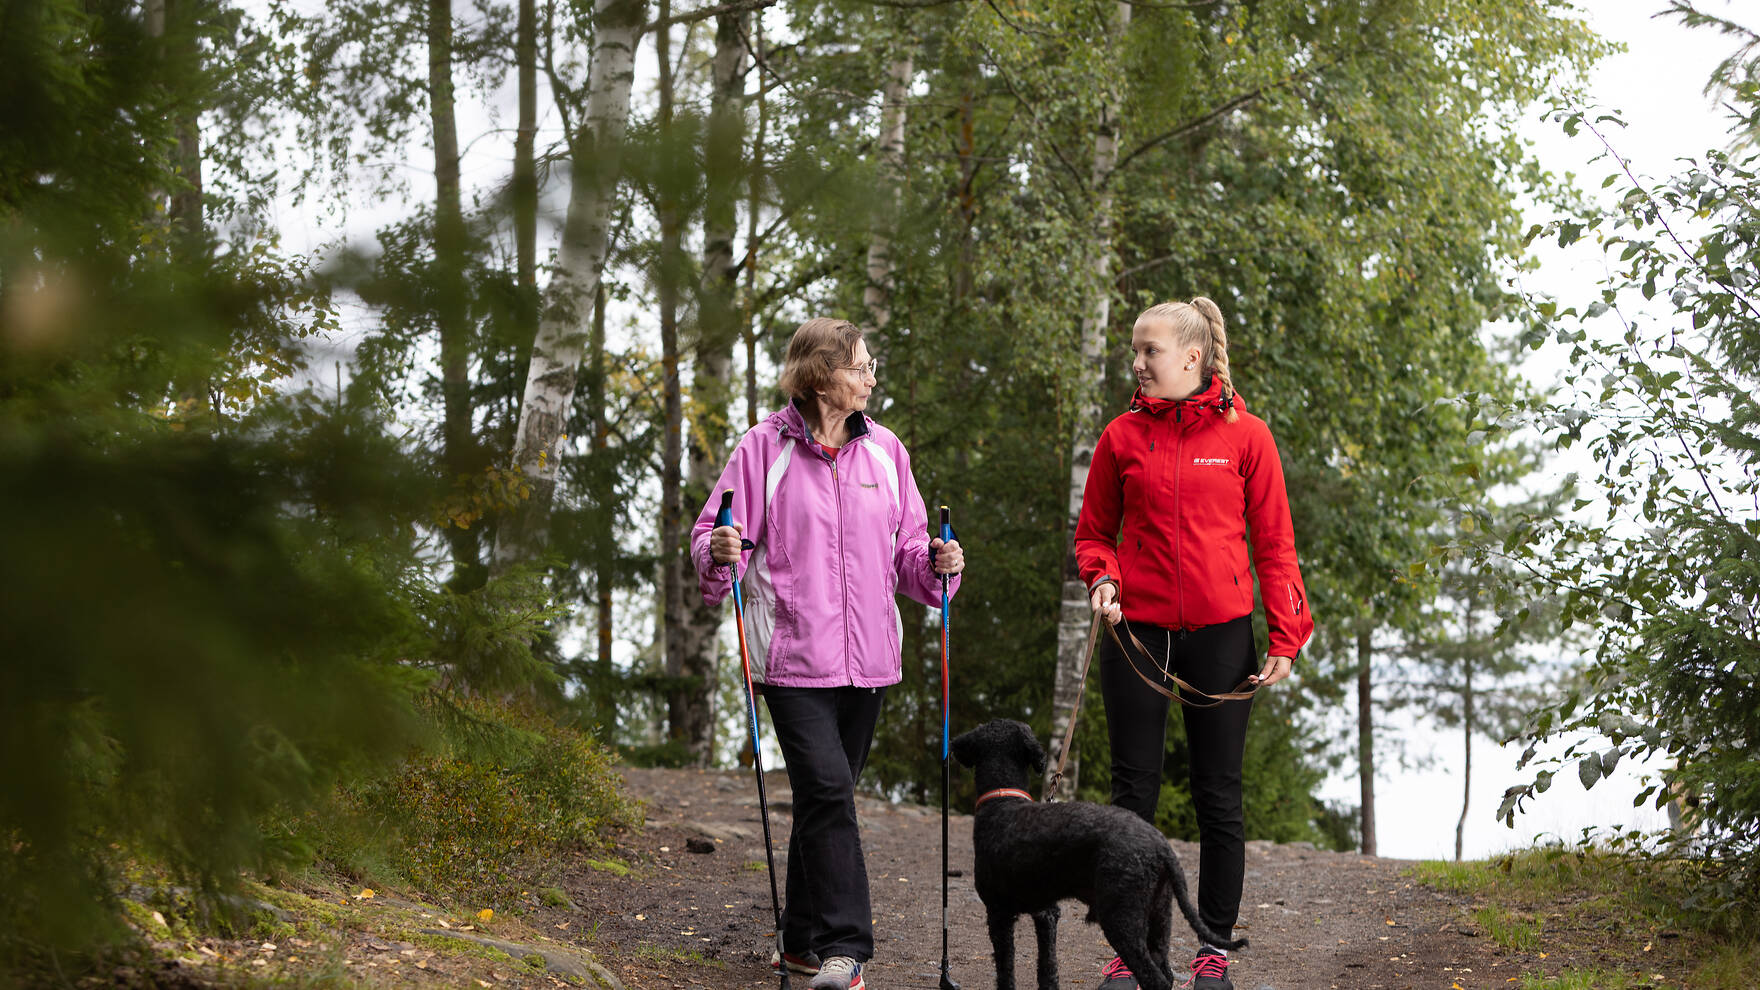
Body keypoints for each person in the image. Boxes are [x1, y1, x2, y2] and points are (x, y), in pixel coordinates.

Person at [692, 317, 964, 990]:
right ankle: (847, 948)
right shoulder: (763, 449)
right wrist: (717, 549)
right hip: (791, 657)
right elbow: (715, 534)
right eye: (860, 367)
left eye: (871, 368)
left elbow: (911, 556)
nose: (871, 378)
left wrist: (940, 565)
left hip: (868, 660)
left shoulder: (886, 453)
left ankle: (801, 944)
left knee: (823, 802)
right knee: (829, 792)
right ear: (819, 376)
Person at [1073, 297, 1313, 990]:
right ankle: (1132, 949)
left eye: (1150, 350)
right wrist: (1104, 580)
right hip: (1136, 627)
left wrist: (1286, 635)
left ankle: (1212, 950)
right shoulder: (1120, 437)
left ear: (1192, 358)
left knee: (1219, 796)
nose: (1138, 362)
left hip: (1221, 631)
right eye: (1136, 349)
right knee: (1132, 800)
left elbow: (1275, 545)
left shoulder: (1248, 437)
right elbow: (1094, 535)